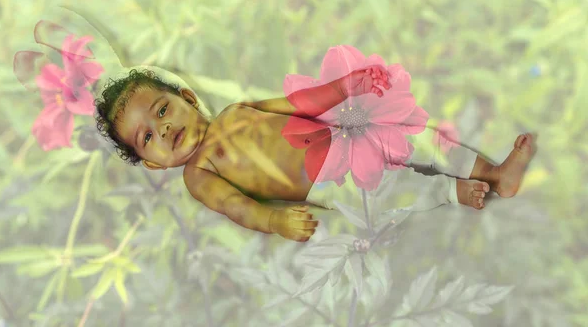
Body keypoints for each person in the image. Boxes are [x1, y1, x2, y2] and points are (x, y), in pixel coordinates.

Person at [93, 61, 536, 243]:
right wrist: (273, 219)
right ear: (152, 163)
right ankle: (452, 193)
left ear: (188, 98)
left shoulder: (236, 110)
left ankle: (495, 171)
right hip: (327, 182)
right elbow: (236, 207)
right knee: (392, 193)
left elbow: (299, 104)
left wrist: (345, 87)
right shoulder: (199, 174)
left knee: (417, 134)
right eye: (147, 137)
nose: (164, 128)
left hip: (343, 132)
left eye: (162, 110)